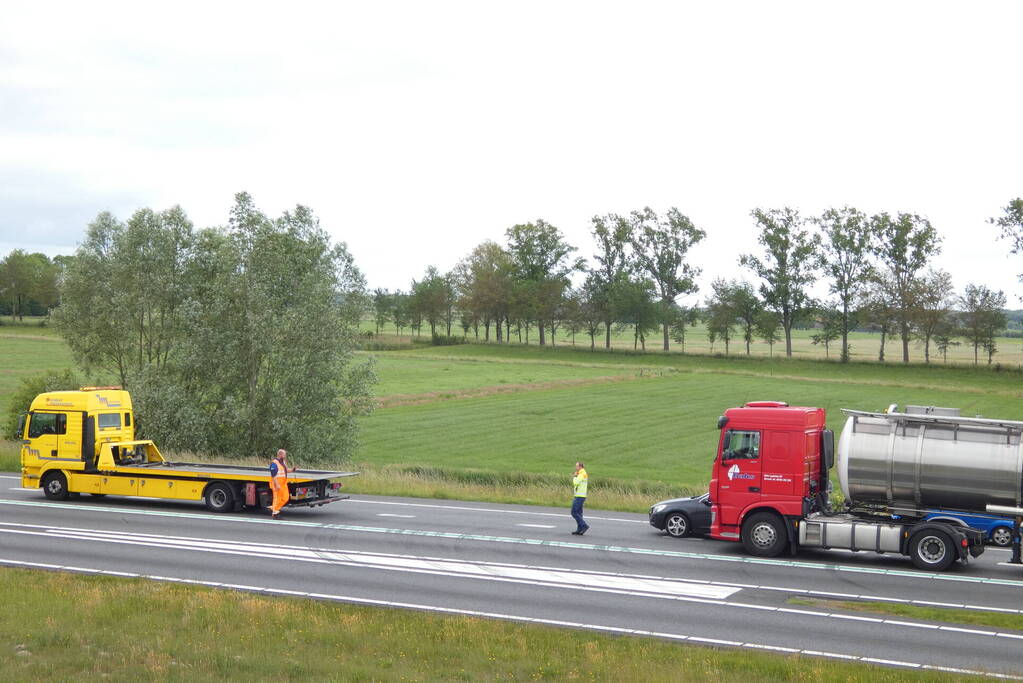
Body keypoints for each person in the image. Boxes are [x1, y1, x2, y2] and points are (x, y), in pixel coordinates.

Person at [269, 449, 294, 519]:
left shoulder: (283, 462)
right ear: (280, 454)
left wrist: (292, 470)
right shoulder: (274, 463)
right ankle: (275, 513)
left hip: (283, 484)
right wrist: (277, 485)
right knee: (277, 499)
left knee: (285, 498)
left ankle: (274, 508)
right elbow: (273, 475)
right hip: (277, 483)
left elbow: (285, 471)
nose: (285, 456)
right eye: (284, 454)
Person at [570, 461, 589, 535]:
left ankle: (584, 525)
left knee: (574, 512)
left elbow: (575, 483)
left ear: (580, 467)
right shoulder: (582, 473)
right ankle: (579, 529)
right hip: (581, 495)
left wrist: (574, 476)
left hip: (579, 496)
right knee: (579, 513)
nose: (576, 467)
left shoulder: (581, 474)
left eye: (577, 466)